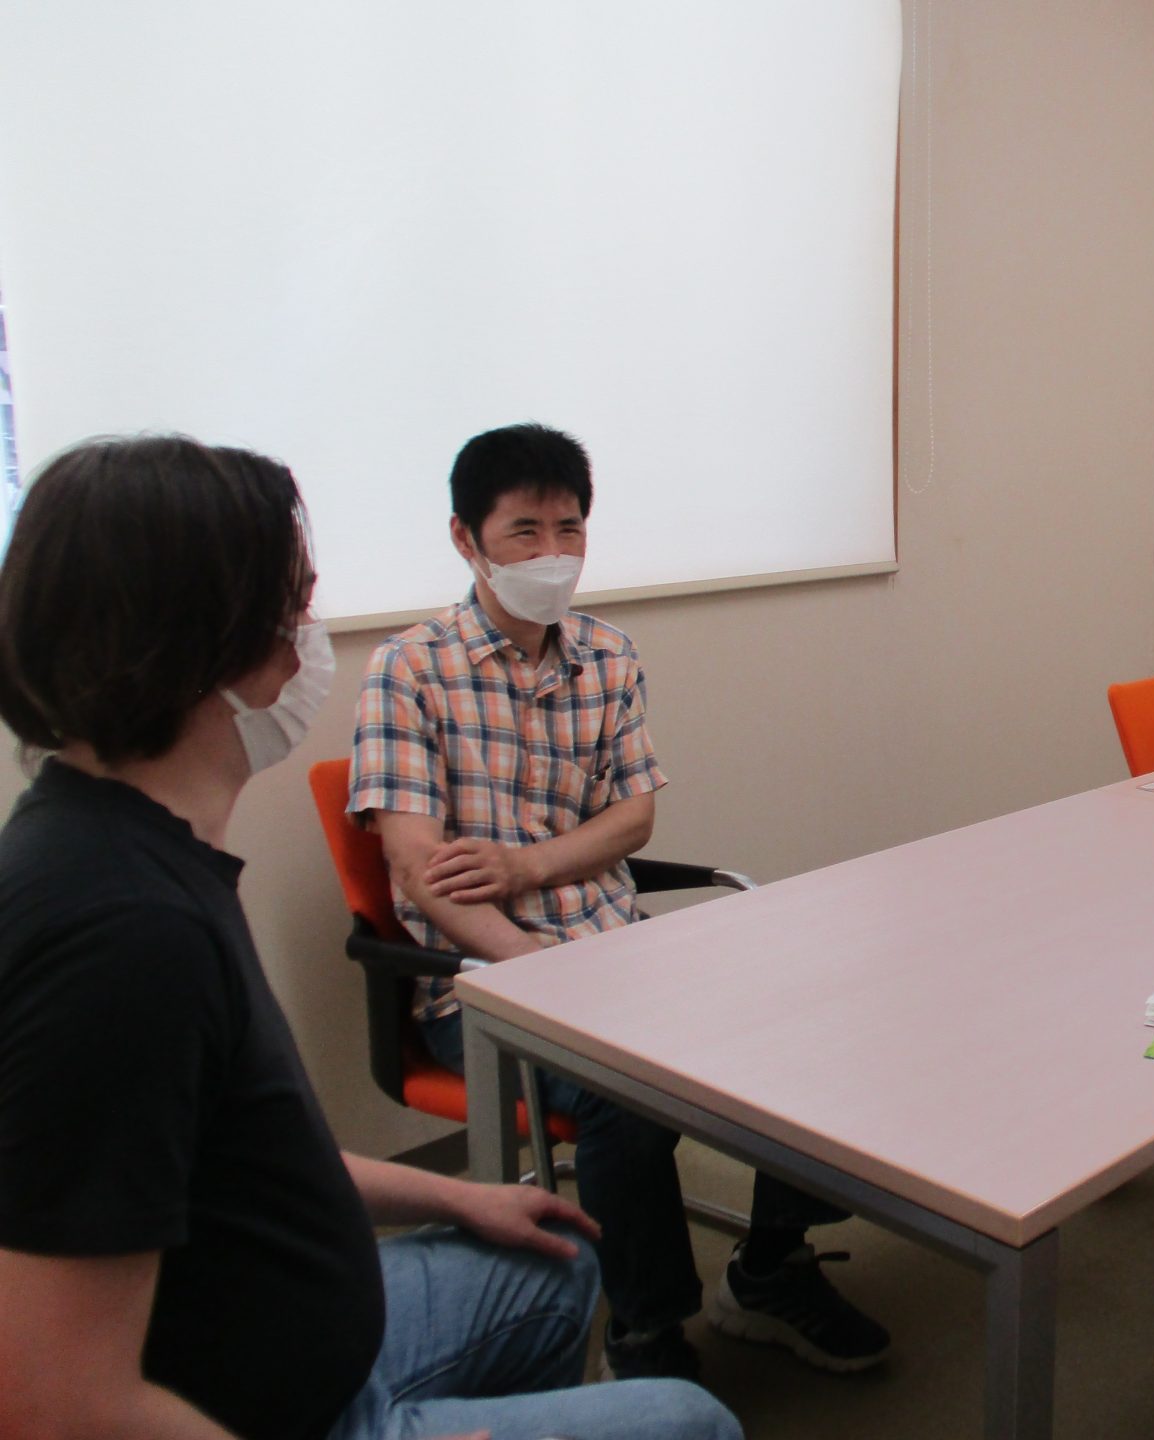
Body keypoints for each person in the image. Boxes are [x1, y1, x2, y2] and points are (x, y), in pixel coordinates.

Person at [0, 435, 740, 1440]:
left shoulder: (132, 849)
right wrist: (543, 969)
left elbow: (243, 1161)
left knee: (555, 1258)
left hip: (294, 1324)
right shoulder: (123, 938)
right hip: (278, 1399)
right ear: (207, 640)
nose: (309, 636)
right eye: (295, 601)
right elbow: (52, 1406)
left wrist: (456, 1197)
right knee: (693, 1421)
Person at [349, 423, 888, 1381]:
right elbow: (420, 868)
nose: (552, 553)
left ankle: (768, 1268)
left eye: (570, 529)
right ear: (465, 538)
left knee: (809, 1018)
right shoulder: (409, 670)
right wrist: (539, 970)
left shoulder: (607, 655)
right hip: (484, 982)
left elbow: (632, 819)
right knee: (624, 1092)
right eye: (524, 532)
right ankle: (646, 1325)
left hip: (617, 952)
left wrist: (524, 866)